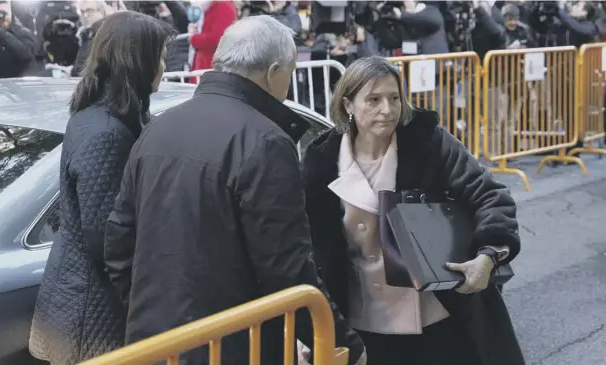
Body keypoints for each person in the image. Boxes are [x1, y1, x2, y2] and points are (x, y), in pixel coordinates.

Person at [104, 15, 366, 365]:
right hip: (235, 346)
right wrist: (341, 344)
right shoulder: (266, 140)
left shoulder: (160, 127)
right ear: (274, 73)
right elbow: (286, 267)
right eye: (289, 73)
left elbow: (119, 243)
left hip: (154, 344)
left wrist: (147, 312)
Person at [301, 56, 525, 365]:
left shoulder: (427, 141)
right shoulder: (321, 160)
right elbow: (305, 243)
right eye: (374, 100)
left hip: (438, 314)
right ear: (348, 104)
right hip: (363, 324)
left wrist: (487, 256)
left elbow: (489, 195)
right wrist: (309, 327)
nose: (387, 110)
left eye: (394, 98)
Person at [29, 11, 174, 365]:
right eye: (160, 54)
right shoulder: (107, 131)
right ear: (138, 59)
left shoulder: (103, 114)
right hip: (90, 310)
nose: (165, 65)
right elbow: (106, 237)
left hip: (82, 299)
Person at [0, 1, 37, 79]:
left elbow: (27, 55)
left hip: (16, 81)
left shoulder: (22, 32)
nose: (1, 17)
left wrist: (0, 33)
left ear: (11, 12)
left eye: (3, 13)